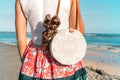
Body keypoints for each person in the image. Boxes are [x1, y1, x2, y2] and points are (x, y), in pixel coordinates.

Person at [15, 0, 88, 79]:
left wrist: (27, 63)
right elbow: (78, 32)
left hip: (35, 57)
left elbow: (21, 40)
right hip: (63, 55)